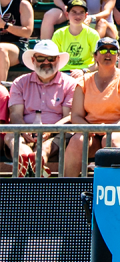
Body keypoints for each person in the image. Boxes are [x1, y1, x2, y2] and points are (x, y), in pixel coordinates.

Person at [65, 38, 120, 175]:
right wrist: (91, 129)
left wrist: (109, 129)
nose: (108, 54)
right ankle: (67, 191)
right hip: (92, 133)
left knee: (110, 140)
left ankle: (118, 188)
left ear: (117, 56)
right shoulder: (83, 81)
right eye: (103, 50)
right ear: (95, 56)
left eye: (112, 50)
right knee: (77, 141)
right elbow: (76, 116)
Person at [7, 40, 75, 175]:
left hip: (57, 132)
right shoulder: (19, 83)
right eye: (41, 58)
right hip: (24, 130)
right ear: (33, 60)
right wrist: (24, 130)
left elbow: (69, 116)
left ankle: (32, 168)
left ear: (58, 59)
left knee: (48, 145)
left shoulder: (70, 84)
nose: (46, 62)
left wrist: (50, 131)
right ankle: (30, 163)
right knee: (12, 137)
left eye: (50, 58)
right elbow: (15, 114)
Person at [0, 0, 33, 84]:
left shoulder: (23, 4)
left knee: (1, 50)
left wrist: (5, 25)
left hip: (18, 46)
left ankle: (1, 94)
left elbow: (27, 32)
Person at [51, 0, 98, 73]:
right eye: (74, 12)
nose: (78, 16)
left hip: (86, 72)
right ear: (67, 14)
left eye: (81, 12)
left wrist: (83, 71)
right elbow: (53, 60)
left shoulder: (93, 34)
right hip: (64, 72)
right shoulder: (58, 34)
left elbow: (98, 63)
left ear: (86, 15)